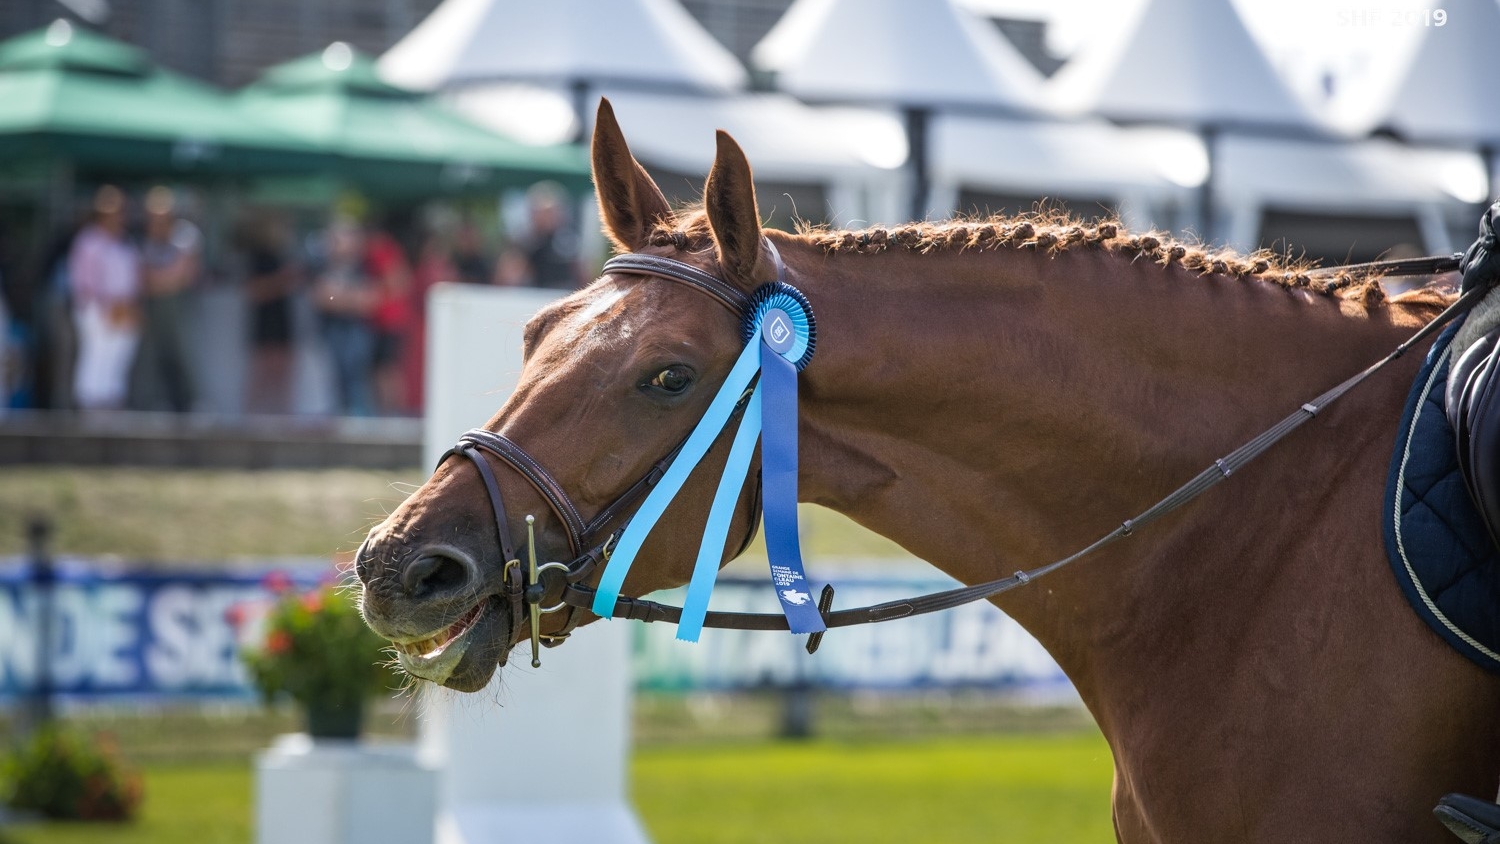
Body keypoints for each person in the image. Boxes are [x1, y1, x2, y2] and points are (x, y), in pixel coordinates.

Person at [67, 186, 140, 412]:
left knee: (118, 357)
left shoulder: (125, 242)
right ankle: (90, 406)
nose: (118, 217)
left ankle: (111, 404)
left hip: (124, 308)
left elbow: (133, 276)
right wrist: (108, 305)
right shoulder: (89, 241)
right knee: (96, 355)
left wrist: (128, 305)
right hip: (97, 308)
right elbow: (83, 281)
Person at [131, 187, 200, 412]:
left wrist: (159, 282)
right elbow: (143, 278)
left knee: (180, 353)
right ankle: (152, 404)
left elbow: (181, 275)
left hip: (179, 305)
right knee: (149, 356)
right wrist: (162, 281)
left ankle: (188, 404)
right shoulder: (143, 238)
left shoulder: (184, 234)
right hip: (150, 307)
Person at [313, 220, 375, 417]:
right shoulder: (325, 267)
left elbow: (368, 300)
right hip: (333, 331)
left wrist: (340, 298)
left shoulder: (361, 267)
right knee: (335, 379)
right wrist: (348, 299)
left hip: (355, 330)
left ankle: (357, 417)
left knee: (355, 377)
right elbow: (324, 298)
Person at [243, 212, 300, 415]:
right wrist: (283, 280)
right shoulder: (260, 257)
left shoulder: (280, 256)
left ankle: (280, 417)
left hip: (280, 321)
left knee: (282, 376)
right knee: (263, 375)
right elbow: (254, 290)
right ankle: (252, 417)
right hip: (267, 322)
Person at [364, 224, 413, 415]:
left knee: (386, 369)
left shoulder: (382, 250)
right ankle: (390, 411)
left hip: (389, 320)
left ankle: (391, 411)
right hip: (389, 319)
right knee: (386, 368)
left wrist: (375, 294)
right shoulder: (391, 249)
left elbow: (396, 280)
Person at [512, 181, 585, 290]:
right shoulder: (526, 241)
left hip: (564, 292)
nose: (547, 217)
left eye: (551, 212)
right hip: (534, 293)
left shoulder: (567, 240)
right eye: (543, 213)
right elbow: (514, 273)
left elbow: (580, 272)